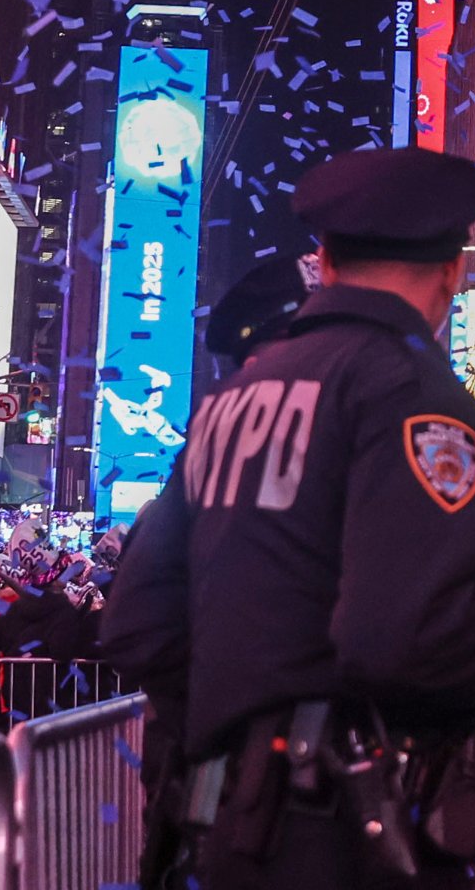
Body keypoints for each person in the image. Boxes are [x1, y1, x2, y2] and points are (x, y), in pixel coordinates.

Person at [179, 147, 475, 889]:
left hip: (223, 820)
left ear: (327, 258)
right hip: (353, 823)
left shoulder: (228, 402)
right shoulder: (408, 392)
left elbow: (144, 625)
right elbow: (402, 635)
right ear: (453, 270)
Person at [105, 255, 315, 890]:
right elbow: (136, 625)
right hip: (238, 797)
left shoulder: (224, 458)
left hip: (228, 792)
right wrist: (232, 705)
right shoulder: (232, 456)